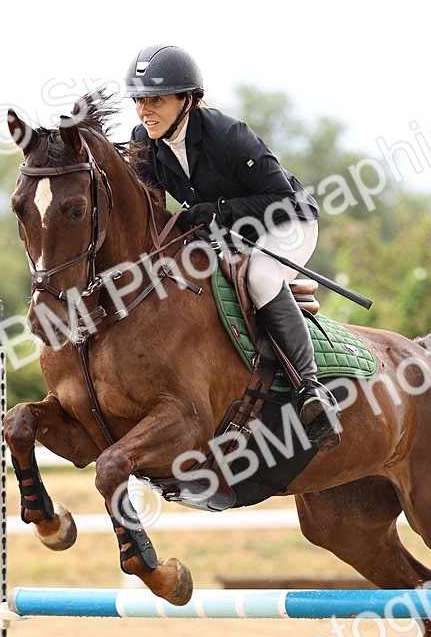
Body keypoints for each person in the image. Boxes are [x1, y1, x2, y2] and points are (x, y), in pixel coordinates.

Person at [124, 43, 341, 452]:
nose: (143, 110)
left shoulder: (228, 136)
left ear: (187, 100)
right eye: (139, 100)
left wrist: (219, 210)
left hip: (287, 223)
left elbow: (283, 200)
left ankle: (312, 392)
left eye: (155, 99)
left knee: (259, 275)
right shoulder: (145, 142)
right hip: (229, 231)